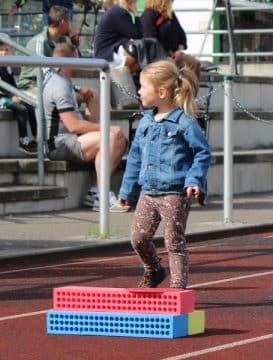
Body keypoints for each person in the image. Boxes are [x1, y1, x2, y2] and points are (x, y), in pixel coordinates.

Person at [114, 60, 211, 289]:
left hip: (174, 193)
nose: (138, 91)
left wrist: (194, 179)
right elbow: (135, 157)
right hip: (148, 192)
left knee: (174, 242)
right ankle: (154, 269)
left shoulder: (185, 122)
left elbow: (202, 152)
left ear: (161, 92)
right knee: (138, 238)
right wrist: (127, 190)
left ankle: (178, 287)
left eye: (142, 87)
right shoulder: (146, 121)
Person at [43, 43, 128, 210]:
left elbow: (81, 94)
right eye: (77, 60)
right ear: (68, 62)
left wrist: (87, 93)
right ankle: (98, 194)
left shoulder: (61, 78)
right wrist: (107, 129)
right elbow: (73, 125)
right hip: (59, 143)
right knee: (112, 138)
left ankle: (95, 191)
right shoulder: (59, 86)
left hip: (70, 139)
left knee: (118, 139)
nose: (80, 63)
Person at [141, 0, 201, 78]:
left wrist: (179, 51)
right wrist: (167, 56)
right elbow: (150, 42)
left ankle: (190, 89)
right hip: (157, 57)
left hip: (174, 54)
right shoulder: (148, 15)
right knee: (171, 66)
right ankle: (174, 89)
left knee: (194, 63)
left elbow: (182, 35)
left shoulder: (169, 14)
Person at [0, 40, 38, 155]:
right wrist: (12, 96)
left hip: (8, 95)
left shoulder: (7, 65)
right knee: (21, 109)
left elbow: (11, 83)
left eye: (6, 50)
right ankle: (23, 141)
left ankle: (38, 138)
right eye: (1, 50)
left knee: (30, 107)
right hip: (2, 97)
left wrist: (17, 94)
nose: (4, 53)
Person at [92, 0, 143, 71]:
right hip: (107, 56)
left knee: (139, 54)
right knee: (139, 50)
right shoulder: (120, 13)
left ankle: (126, 79)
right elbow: (138, 35)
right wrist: (136, 14)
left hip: (104, 54)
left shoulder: (116, 10)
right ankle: (120, 77)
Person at [8, 0, 74, 26]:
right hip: (48, 12)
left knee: (65, 37)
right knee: (46, 37)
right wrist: (18, 3)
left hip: (65, 11)